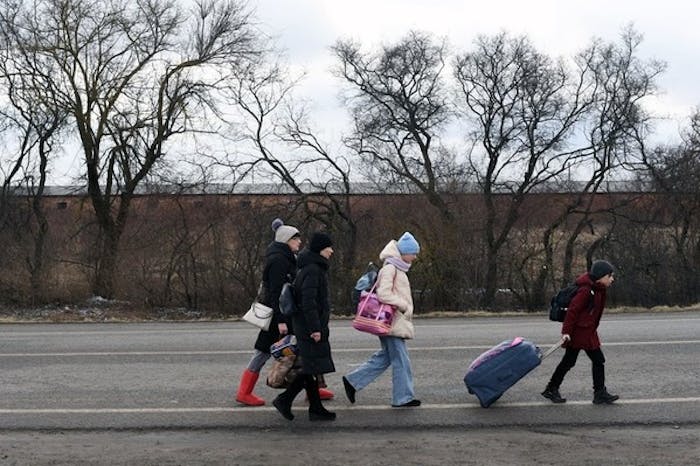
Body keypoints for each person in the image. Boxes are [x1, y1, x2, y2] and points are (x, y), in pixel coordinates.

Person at [235, 219, 334, 406]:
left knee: (304, 351)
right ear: (286, 240)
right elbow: (276, 292)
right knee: (263, 352)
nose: (299, 242)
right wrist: (280, 320)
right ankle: (244, 392)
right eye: (295, 239)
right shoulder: (278, 261)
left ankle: (315, 390)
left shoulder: (287, 258)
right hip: (277, 317)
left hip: (287, 314)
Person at [342, 232, 421, 408]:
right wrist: (403, 305)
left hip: (392, 321)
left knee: (386, 357)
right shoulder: (390, 268)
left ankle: (353, 381)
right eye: (413, 253)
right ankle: (403, 397)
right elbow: (384, 294)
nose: (415, 257)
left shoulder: (395, 267)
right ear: (404, 252)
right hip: (391, 322)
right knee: (401, 360)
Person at [272, 232, 337, 421]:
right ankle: (284, 399)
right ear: (320, 249)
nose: (331, 251)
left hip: (306, 325)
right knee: (310, 367)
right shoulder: (313, 270)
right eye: (328, 247)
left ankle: (315, 408)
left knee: (311, 367)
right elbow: (308, 302)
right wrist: (315, 329)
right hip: (309, 327)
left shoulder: (310, 267)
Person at [541, 259, 620, 405]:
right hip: (578, 333)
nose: (612, 279)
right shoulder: (586, 290)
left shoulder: (597, 289)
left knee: (580, 361)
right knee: (583, 361)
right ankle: (554, 389)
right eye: (610, 276)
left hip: (587, 332)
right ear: (601, 276)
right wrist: (566, 332)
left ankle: (597, 392)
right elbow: (572, 311)